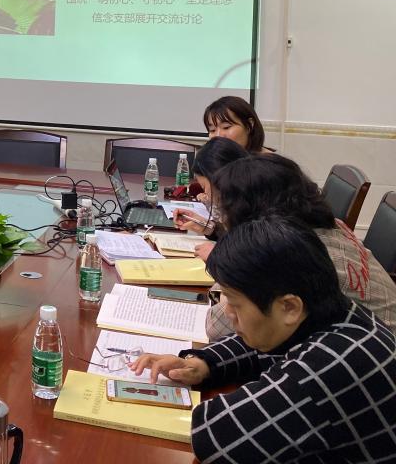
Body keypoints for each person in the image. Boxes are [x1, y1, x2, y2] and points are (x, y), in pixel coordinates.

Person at [134, 219, 396, 463]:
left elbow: (216, 437)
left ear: (289, 307)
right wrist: (203, 363)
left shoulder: (330, 365)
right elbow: (262, 340)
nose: (228, 312)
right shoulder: (331, 312)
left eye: (234, 303)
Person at [201, 153, 396, 341]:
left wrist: (228, 276)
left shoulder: (288, 252)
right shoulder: (330, 224)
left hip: (372, 353)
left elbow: (216, 326)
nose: (223, 220)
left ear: (248, 212)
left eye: (224, 210)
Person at [172, 137, 249, 245]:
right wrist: (208, 227)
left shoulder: (257, 214)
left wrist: (216, 252)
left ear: (219, 180)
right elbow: (235, 237)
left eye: (204, 187)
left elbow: (246, 248)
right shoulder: (245, 200)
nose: (206, 195)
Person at [202, 95, 267, 153]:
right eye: (212, 130)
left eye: (226, 127)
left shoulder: (266, 161)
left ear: (249, 126)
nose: (218, 136)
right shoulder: (209, 159)